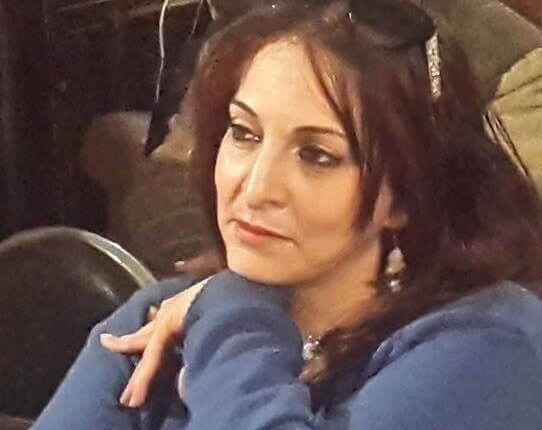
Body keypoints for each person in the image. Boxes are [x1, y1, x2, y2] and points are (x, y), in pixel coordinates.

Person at [32, 0, 542, 428]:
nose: (256, 189)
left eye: (318, 156)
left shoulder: (491, 344)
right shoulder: (160, 314)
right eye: (244, 134)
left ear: (406, 195)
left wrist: (232, 314)